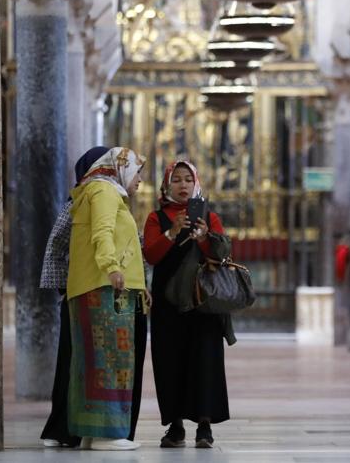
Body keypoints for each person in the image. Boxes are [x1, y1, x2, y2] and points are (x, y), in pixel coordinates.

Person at [39, 145, 152, 448]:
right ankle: (106, 434)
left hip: (100, 287)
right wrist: (112, 269)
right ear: (120, 167)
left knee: (94, 362)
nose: (140, 180)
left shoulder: (99, 191)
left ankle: (91, 433)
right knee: (110, 360)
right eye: (137, 172)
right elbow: (101, 233)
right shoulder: (103, 191)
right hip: (103, 288)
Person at [143, 160, 230, 449]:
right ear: (167, 184)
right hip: (168, 304)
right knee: (170, 360)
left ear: (196, 184)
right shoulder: (156, 218)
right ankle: (175, 425)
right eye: (176, 180)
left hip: (202, 302)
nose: (182, 185)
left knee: (204, 359)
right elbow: (151, 256)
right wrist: (171, 232)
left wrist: (205, 237)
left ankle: (204, 426)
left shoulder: (209, 216)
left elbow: (222, 253)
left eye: (187, 180)